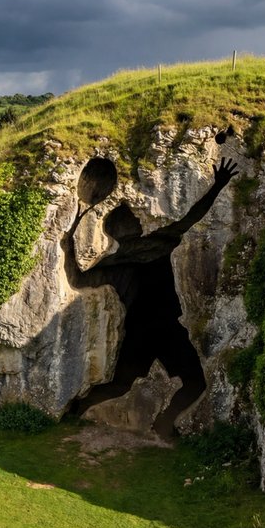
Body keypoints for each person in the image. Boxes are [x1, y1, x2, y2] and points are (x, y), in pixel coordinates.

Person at [65, 157, 239, 436]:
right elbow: (188, 219)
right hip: (153, 326)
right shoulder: (136, 271)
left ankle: (147, 414)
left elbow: (190, 219)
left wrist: (218, 186)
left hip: (155, 325)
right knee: (159, 375)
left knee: (156, 374)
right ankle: (154, 417)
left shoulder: (135, 270)